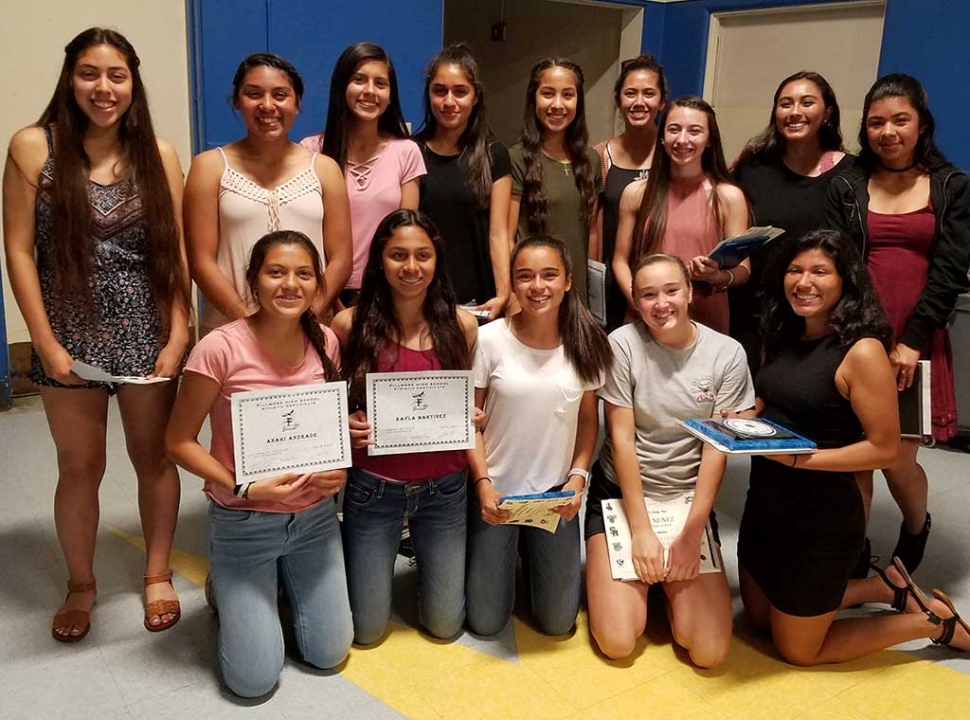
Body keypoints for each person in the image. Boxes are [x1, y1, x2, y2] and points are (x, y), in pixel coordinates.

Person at [3, 27, 188, 641]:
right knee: (79, 466)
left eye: (116, 76)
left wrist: (180, 329)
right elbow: (19, 251)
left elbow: (173, 253)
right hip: (69, 336)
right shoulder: (34, 146)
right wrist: (45, 342)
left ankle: (156, 572)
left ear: (133, 84)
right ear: (69, 77)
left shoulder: (158, 154)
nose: (103, 88)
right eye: (89, 73)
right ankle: (81, 584)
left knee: (154, 458)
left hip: (146, 333)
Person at [738, 229, 970, 664]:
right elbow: (776, 396)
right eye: (795, 270)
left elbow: (883, 450)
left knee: (798, 650)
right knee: (759, 621)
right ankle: (887, 588)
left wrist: (797, 459)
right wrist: (744, 418)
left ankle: (935, 621)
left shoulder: (862, 351)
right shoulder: (783, 331)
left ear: (845, 279)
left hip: (822, 513)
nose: (804, 282)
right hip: (765, 500)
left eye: (820, 272)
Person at [165, 230, 353, 697]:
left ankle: (281, 581)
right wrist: (243, 487)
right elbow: (178, 442)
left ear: (317, 286)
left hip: (314, 519)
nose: (290, 284)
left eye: (303, 274)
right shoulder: (219, 348)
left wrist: (338, 469)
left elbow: (326, 429)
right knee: (252, 680)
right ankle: (225, 586)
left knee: (330, 652)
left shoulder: (326, 341)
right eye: (276, 272)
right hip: (243, 519)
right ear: (253, 280)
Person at [827, 73, 970, 573]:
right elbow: (837, 263)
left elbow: (951, 269)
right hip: (853, 334)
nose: (887, 131)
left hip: (917, 338)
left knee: (897, 456)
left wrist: (911, 341)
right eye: (875, 123)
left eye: (899, 120)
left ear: (921, 124)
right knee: (854, 451)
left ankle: (915, 527)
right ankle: (853, 546)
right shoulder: (846, 183)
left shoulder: (950, 186)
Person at [584, 253, 753, 667]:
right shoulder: (622, 343)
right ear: (636, 301)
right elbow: (621, 439)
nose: (661, 304)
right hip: (621, 495)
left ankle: (666, 584)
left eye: (672, 291)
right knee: (618, 641)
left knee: (709, 651)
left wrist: (693, 531)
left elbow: (716, 448)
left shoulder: (726, 354)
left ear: (690, 292)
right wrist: (641, 532)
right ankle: (647, 579)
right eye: (648, 295)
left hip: (686, 498)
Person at [331, 209, 479, 645]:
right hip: (374, 487)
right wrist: (346, 422)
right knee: (367, 633)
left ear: (437, 261)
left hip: (445, 489)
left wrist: (468, 414)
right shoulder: (348, 325)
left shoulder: (462, 325)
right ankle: (350, 560)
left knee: (445, 626)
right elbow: (327, 404)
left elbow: (468, 397)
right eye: (398, 255)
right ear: (379, 260)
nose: (411, 268)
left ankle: (425, 566)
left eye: (422, 256)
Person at [466, 237, 609, 636]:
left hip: (554, 495)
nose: (537, 286)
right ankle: (510, 552)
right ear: (512, 283)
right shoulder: (491, 339)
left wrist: (577, 478)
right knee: (485, 622)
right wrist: (482, 484)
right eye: (524, 277)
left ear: (567, 281)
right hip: (496, 492)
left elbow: (587, 420)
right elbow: (470, 420)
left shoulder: (588, 341)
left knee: (558, 622)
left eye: (549, 275)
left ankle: (533, 552)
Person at [184, 53, 351, 334]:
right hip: (232, 330)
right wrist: (250, 323)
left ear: (297, 103)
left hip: (308, 330)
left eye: (280, 95)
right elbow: (201, 261)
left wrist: (307, 318)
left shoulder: (325, 169)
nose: (267, 105)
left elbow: (341, 259)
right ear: (237, 101)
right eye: (253, 94)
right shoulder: (209, 167)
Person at [732, 71, 854, 375]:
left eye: (806, 102)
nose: (795, 112)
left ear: (826, 113)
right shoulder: (752, 168)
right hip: (751, 315)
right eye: (785, 104)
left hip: (818, 320)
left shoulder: (850, 174)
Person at [301, 43, 425, 305]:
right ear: (342, 86)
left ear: (391, 95)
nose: (370, 91)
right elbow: (305, 230)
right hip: (319, 292)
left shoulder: (406, 151)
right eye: (359, 80)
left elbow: (405, 235)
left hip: (385, 293)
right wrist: (328, 297)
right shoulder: (311, 151)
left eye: (380, 83)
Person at [612, 97, 748, 335]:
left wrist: (718, 276)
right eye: (674, 129)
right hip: (645, 319)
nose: (682, 139)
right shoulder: (636, 193)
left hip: (705, 321)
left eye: (695, 131)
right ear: (663, 137)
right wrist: (642, 303)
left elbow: (743, 269)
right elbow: (620, 261)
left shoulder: (728, 196)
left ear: (708, 141)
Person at [415, 43, 512, 320]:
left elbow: (499, 233)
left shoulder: (494, 154)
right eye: (439, 90)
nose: (449, 102)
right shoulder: (411, 151)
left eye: (460, 91)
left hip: (479, 298)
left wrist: (504, 293)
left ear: (476, 97)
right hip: (424, 295)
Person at [508, 58, 602, 304]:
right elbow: (507, 236)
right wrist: (512, 296)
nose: (557, 104)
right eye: (547, 93)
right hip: (535, 293)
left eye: (568, 95)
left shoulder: (591, 159)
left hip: (577, 293)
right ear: (534, 99)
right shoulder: (516, 157)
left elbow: (590, 231)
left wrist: (592, 293)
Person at [594, 54, 668, 330]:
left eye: (649, 93)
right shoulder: (600, 156)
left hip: (664, 287)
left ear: (661, 101)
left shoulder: (675, 155)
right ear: (618, 99)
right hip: (613, 282)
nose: (639, 102)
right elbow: (590, 225)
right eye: (630, 93)